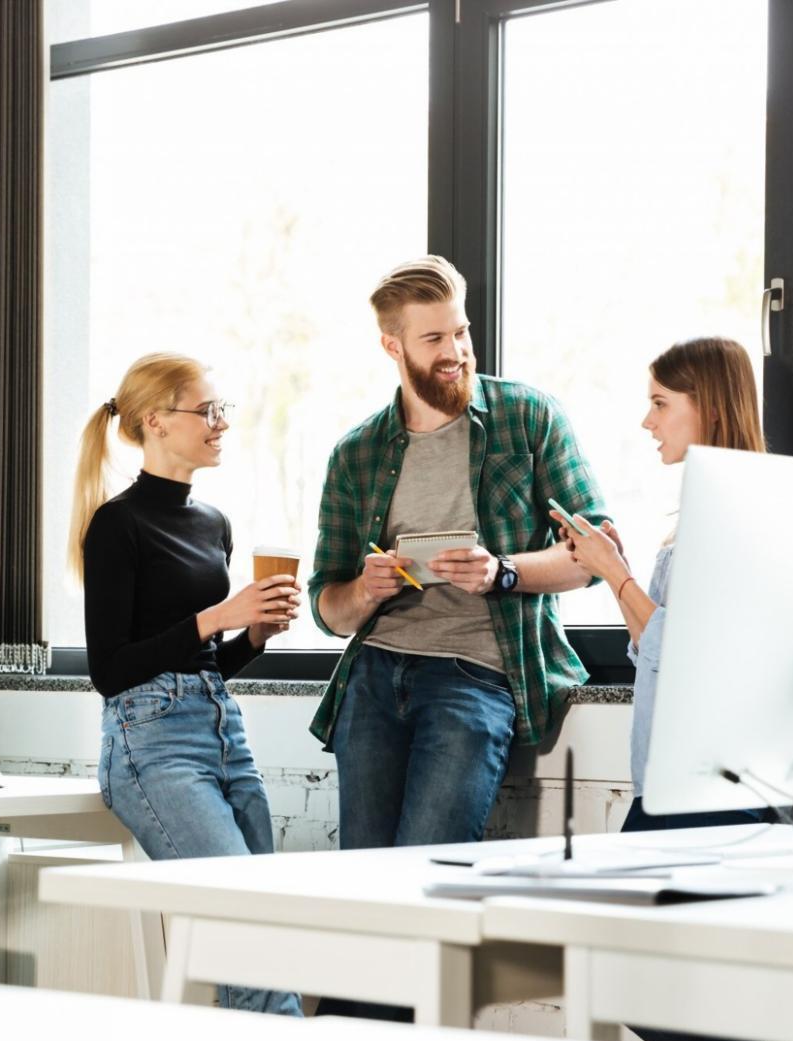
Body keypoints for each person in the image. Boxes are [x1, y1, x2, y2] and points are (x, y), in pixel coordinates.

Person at [308, 254, 608, 853]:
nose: (457, 350)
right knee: (363, 879)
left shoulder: (528, 418)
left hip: (477, 678)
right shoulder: (356, 454)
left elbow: (596, 551)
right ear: (393, 348)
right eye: (434, 338)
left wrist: (503, 572)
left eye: (462, 331)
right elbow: (328, 610)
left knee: (430, 867)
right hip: (372, 680)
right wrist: (367, 588)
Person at [69, 352, 302, 1016]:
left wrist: (251, 636)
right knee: (250, 946)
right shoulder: (116, 526)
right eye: (207, 412)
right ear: (154, 422)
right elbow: (110, 671)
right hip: (153, 748)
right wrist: (218, 617)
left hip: (221, 731)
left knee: (271, 935)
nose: (221, 424)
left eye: (222, 411)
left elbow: (202, 667)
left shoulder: (214, 523)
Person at [553, 335, 769, 832]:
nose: (647, 421)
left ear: (710, 408)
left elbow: (686, 655)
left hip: (709, 782)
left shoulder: (739, 515)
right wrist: (614, 570)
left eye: (660, 403)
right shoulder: (695, 515)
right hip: (667, 778)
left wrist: (615, 572)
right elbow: (650, 646)